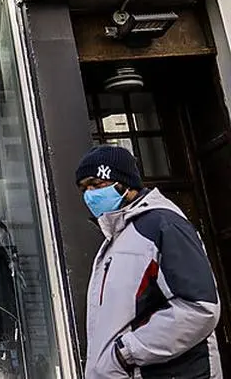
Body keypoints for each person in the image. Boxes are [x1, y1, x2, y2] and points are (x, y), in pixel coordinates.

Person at [76, 144, 222, 378]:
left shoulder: (161, 224)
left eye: (96, 184)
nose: (89, 195)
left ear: (125, 184)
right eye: (83, 188)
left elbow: (200, 307)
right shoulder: (117, 239)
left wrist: (125, 353)